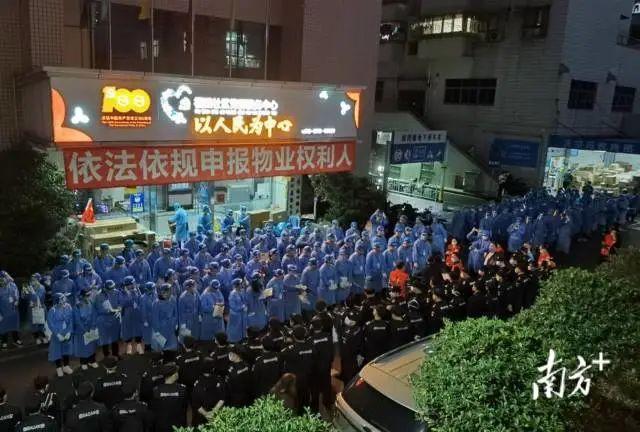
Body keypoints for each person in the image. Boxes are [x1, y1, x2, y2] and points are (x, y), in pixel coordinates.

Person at [281, 326, 315, 412]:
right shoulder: (311, 346)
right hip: (308, 379)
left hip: (296, 381)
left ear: (294, 336)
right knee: (306, 400)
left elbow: (281, 355)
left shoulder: (291, 349)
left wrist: (286, 344)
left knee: (296, 402)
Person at [150, 364, 187, 432]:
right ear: (174, 375)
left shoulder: (156, 390)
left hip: (161, 425)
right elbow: (184, 408)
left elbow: (153, 410)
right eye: (177, 372)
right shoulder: (182, 389)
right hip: (177, 426)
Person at [191, 358, 225, 426]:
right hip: (216, 415)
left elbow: (195, 403)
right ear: (213, 369)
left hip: (200, 417)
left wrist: (206, 414)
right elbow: (222, 398)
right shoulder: (219, 380)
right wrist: (213, 412)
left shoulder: (196, 382)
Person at [47, 293, 73, 377]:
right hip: (57, 334)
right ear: (57, 301)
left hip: (66, 332)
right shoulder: (52, 310)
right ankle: (58, 368)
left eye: (64, 298)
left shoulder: (68, 307)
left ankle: (66, 366)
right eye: (62, 299)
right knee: (56, 351)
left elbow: (71, 320)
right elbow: (50, 324)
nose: (64, 300)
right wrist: (57, 334)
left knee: (66, 350)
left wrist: (69, 331)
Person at [309, 318, 333, 412]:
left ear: (312, 327)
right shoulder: (328, 336)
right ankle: (328, 404)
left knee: (315, 389)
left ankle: (315, 410)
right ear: (322, 326)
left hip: (315, 369)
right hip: (327, 366)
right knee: (327, 385)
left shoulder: (310, 340)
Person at [95, 280, 122, 359]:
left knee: (115, 338)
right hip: (104, 319)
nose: (112, 290)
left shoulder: (117, 292)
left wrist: (119, 309)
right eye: (110, 289)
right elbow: (99, 309)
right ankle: (106, 355)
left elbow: (120, 303)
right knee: (105, 338)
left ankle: (115, 354)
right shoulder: (99, 296)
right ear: (105, 288)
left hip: (115, 319)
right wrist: (110, 311)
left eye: (113, 288)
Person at [73, 288, 99, 369]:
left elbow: (94, 315)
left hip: (91, 328)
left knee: (92, 345)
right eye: (87, 295)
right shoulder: (77, 306)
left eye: (89, 295)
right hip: (81, 330)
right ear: (82, 296)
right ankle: (83, 362)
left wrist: (93, 326)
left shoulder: (91, 302)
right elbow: (77, 320)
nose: (89, 297)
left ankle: (92, 361)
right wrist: (84, 329)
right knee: (83, 346)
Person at [151, 284, 178, 356]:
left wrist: (176, 323)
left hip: (171, 327)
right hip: (161, 329)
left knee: (172, 346)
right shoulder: (156, 303)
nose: (171, 292)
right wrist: (156, 331)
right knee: (162, 346)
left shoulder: (172, 299)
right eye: (169, 291)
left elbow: (175, 312)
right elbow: (155, 319)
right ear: (164, 292)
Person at [22, 273, 46, 345]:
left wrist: (32, 291)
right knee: (33, 324)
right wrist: (24, 293)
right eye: (32, 279)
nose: (32, 281)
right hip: (31, 308)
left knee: (41, 323)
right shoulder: (29, 287)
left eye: (34, 279)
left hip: (40, 308)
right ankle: (37, 338)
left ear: (38, 280)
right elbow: (24, 297)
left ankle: (43, 337)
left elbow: (38, 297)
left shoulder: (41, 287)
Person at [175, 336, 202, 400]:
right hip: (197, 383)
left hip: (185, 385)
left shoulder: (179, 359)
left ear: (184, 345)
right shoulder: (200, 355)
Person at [340, 312, 363, 384]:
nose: (347, 320)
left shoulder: (357, 330)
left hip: (352, 358)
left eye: (350, 319)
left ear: (354, 321)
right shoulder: (345, 328)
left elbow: (358, 345)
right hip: (344, 356)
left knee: (351, 378)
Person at [227, 278, 247, 343]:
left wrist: (244, 306)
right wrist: (241, 307)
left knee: (241, 327)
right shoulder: (233, 294)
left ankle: (242, 338)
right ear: (237, 285)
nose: (242, 284)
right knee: (235, 328)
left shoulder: (242, 291)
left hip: (241, 313)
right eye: (241, 284)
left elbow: (244, 300)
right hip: (235, 314)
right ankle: (234, 340)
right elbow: (232, 306)